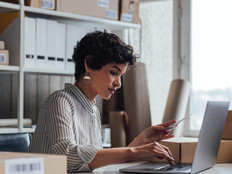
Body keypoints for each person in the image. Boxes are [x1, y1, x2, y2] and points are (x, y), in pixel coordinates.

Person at [28, 30, 176, 172]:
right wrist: (133, 151)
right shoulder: (60, 101)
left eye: (120, 76)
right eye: (113, 73)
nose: (119, 83)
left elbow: (95, 164)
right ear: (89, 64)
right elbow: (65, 155)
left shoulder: (93, 110)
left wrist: (140, 141)